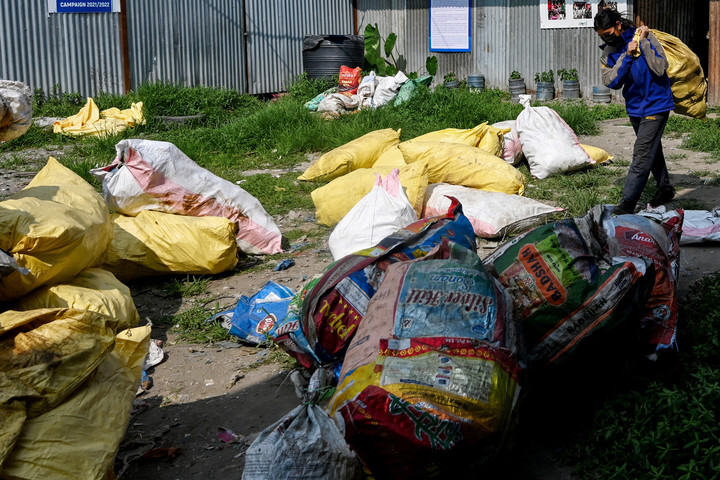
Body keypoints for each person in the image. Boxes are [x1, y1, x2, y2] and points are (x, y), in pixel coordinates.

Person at [593, 8, 676, 214]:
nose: (607, 38)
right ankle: (665, 188)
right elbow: (611, 81)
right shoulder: (610, 51)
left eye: (609, 33)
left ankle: (627, 203)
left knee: (641, 154)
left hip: (656, 104)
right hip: (635, 108)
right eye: (602, 36)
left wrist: (644, 42)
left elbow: (660, 68)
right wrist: (627, 55)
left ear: (618, 26)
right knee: (651, 149)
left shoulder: (647, 37)